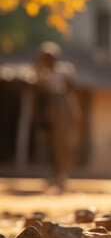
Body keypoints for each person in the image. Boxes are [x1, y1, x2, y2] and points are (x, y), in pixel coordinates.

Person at [34, 42, 82, 193]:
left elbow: (71, 91)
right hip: (51, 116)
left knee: (65, 145)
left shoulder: (64, 72)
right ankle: (55, 174)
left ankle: (62, 174)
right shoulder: (42, 76)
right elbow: (39, 98)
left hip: (64, 114)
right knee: (53, 146)